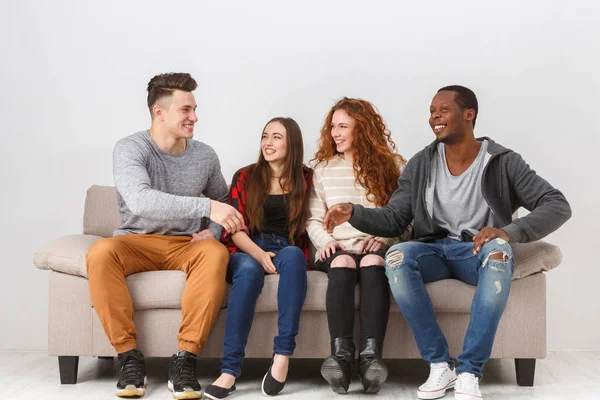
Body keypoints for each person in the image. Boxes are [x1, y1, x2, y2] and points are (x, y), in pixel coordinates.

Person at [323, 85, 572, 400]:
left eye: (443, 109)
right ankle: (440, 364)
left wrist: (508, 232)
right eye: (431, 111)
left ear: (469, 115)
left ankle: (469, 371)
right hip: (434, 251)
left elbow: (557, 204)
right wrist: (353, 213)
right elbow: (395, 219)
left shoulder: (502, 161)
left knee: (500, 254)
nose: (435, 117)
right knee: (398, 255)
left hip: (478, 253)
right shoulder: (421, 163)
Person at [86, 72, 245, 399]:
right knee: (100, 253)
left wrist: (212, 231)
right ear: (159, 112)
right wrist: (205, 206)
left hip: (185, 245)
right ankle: (129, 358)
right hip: (135, 241)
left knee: (215, 253)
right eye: (186, 110)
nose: (194, 117)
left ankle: (185, 359)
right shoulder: (130, 148)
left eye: (195, 109)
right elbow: (141, 200)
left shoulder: (204, 155)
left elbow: (224, 201)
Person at [203, 117, 313, 399]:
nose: (268, 143)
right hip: (245, 247)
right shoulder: (245, 176)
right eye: (265, 136)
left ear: (292, 143)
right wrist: (259, 253)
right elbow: (234, 229)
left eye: (277, 137)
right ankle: (229, 371)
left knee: (294, 258)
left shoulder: (307, 177)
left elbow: (315, 222)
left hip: (285, 247)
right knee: (250, 271)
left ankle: (282, 355)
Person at [307, 97, 407, 394]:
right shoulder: (323, 169)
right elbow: (312, 219)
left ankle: (370, 358)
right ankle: (340, 357)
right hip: (336, 248)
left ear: (362, 130)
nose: (335, 133)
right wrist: (326, 241)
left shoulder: (394, 166)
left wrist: (387, 238)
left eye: (343, 127)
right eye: (333, 126)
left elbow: (407, 217)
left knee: (373, 261)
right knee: (343, 261)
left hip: (375, 247)